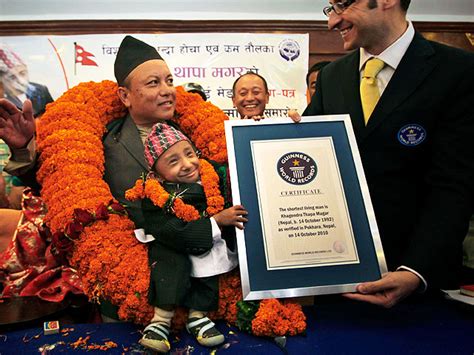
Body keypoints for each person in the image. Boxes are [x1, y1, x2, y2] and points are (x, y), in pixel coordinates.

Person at [299, 0, 474, 307]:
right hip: (338, 281)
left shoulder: (459, 71)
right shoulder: (331, 77)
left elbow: (455, 185)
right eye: (329, 9)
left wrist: (415, 271)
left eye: (340, 5)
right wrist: (288, 139)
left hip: (420, 286)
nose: (332, 22)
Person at [134, 122, 247, 352]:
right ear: (157, 174)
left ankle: (198, 315)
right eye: (173, 161)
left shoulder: (214, 176)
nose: (187, 165)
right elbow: (174, 232)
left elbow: (242, 162)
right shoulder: (154, 196)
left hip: (208, 241)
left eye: (189, 154)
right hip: (175, 243)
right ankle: (161, 320)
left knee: (211, 257)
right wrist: (217, 221)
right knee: (170, 259)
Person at [0, 44, 53, 117]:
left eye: (22, 73)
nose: (21, 81)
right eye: (12, 77)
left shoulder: (41, 90)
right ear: (2, 81)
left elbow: (53, 113)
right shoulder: (2, 99)